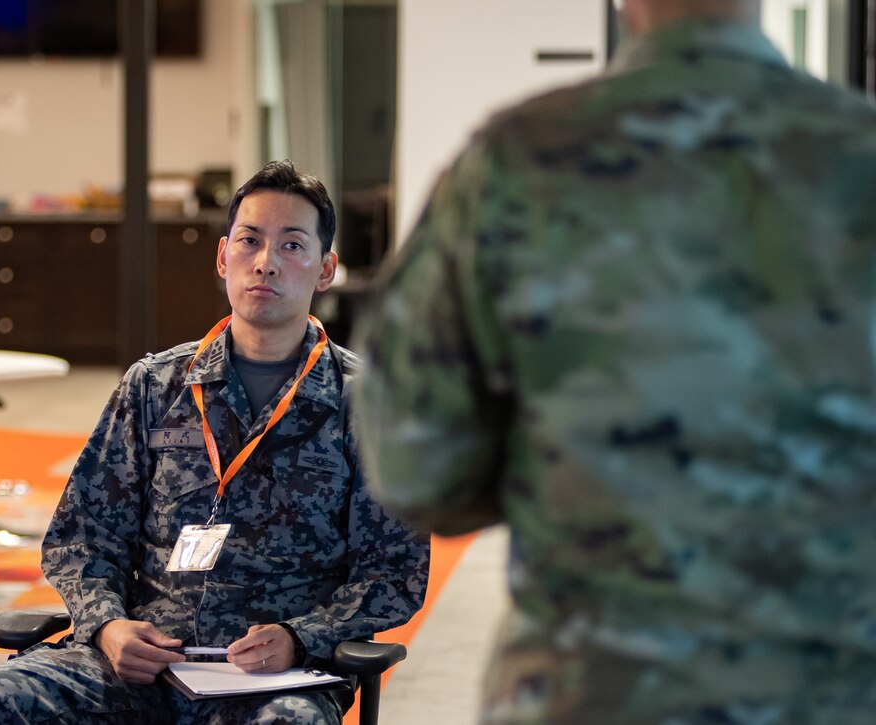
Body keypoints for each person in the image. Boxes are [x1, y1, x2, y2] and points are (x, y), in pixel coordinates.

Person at [354, 1, 876, 723]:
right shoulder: (860, 158)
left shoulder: (517, 162)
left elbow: (413, 467)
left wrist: (563, 468)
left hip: (589, 692)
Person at [0, 160, 429, 724]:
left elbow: (395, 572)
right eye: (250, 241)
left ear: (326, 269)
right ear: (224, 257)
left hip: (270, 681)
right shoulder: (154, 386)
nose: (266, 263)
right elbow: (82, 536)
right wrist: (106, 625)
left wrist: (301, 638)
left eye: (292, 246)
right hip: (141, 666)